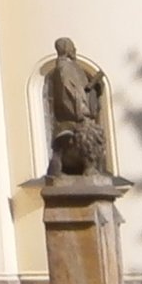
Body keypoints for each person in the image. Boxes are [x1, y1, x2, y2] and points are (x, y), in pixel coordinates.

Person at [44, 37, 109, 180]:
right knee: (88, 134)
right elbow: (68, 93)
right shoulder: (64, 68)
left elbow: (80, 92)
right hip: (72, 120)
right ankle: (87, 167)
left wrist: (94, 89)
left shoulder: (73, 67)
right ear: (67, 49)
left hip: (79, 117)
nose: (75, 50)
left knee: (92, 133)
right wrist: (81, 109)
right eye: (72, 48)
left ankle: (91, 167)